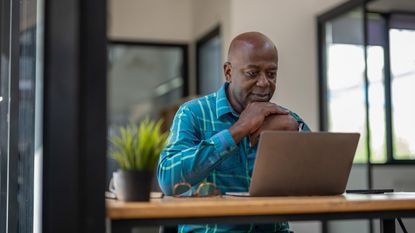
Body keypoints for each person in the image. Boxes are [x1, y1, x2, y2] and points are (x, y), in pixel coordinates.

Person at [157, 31, 310, 233]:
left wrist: (295, 129)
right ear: (229, 72)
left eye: (271, 74)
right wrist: (238, 129)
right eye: (252, 73)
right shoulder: (193, 113)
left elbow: (321, 180)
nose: (264, 82)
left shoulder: (286, 120)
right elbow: (168, 179)